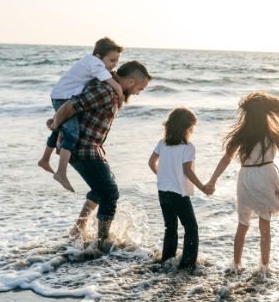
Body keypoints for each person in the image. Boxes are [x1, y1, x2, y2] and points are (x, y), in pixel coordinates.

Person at [47, 59, 151, 252]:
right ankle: (102, 242)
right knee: (110, 193)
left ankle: (77, 230)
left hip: (91, 147)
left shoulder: (111, 91)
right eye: (139, 88)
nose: (137, 93)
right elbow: (71, 106)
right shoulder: (105, 91)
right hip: (82, 148)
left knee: (100, 188)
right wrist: (55, 123)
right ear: (129, 82)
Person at [205, 92, 279, 273]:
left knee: (243, 224)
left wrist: (212, 180)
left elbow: (226, 159)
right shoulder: (273, 134)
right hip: (266, 176)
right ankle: (264, 267)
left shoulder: (241, 135)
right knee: (264, 225)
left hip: (246, 178)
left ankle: (236, 265)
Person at [39, 38, 126, 192]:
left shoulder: (91, 62)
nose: (114, 65)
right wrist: (119, 91)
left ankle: (45, 159)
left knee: (61, 128)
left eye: (117, 62)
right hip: (63, 98)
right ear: (99, 56)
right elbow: (112, 83)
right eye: (112, 60)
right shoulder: (96, 64)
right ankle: (61, 172)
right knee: (72, 134)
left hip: (61, 95)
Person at [148, 107, 211, 271]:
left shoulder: (162, 143)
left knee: (170, 227)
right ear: (186, 127)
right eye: (192, 127)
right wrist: (203, 187)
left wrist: (161, 175)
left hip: (162, 191)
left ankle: (167, 259)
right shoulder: (188, 147)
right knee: (191, 228)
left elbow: (151, 162)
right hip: (178, 193)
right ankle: (188, 264)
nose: (192, 130)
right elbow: (187, 170)